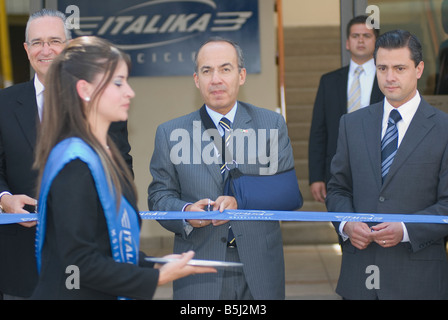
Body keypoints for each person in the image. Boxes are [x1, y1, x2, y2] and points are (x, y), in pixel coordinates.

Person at [30, 36, 215, 300]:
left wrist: (154, 263)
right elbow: (78, 263)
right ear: (85, 90)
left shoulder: (101, 153)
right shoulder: (75, 162)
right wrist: (157, 277)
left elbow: (106, 245)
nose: (130, 92)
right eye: (118, 82)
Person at [147, 38, 298, 300]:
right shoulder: (170, 133)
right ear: (196, 79)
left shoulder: (271, 124)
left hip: (261, 266)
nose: (216, 79)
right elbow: (159, 196)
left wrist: (240, 201)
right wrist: (185, 213)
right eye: (207, 71)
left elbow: (287, 194)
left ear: (241, 75)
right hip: (198, 265)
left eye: (225, 69)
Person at [0, 9, 132, 299]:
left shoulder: (103, 103)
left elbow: (122, 174)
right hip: (19, 269)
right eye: (36, 42)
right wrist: (5, 200)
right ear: (26, 49)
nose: (45, 50)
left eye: (54, 41)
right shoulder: (3, 104)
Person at [326, 29, 448, 299]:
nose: (390, 77)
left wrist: (405, 229)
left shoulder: (443, 129)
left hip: (419, 281)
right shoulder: (352, 124)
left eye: (399, 68)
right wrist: (346, 224)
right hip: (359, 279)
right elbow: (337, 189)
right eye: (382, 67)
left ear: (419, 69)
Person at [308, 15, 384, 203]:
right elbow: (319, 131)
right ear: (347, 43)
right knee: (344, 227)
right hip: (338, 168)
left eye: (366, 36)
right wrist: (316, 176)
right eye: (355, 35)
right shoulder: (329, 81)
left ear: (376, 42)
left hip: (379, 167)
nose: (360, 40)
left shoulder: (387, 81)